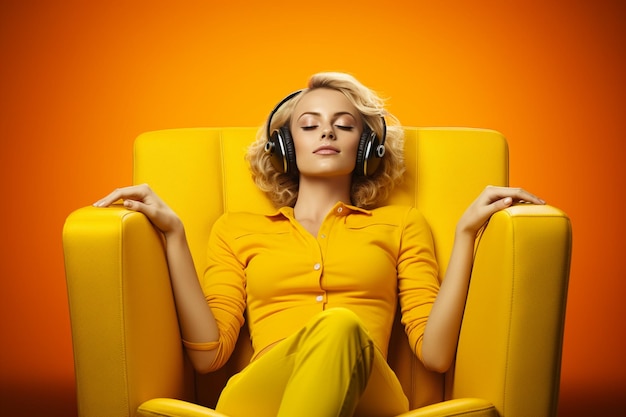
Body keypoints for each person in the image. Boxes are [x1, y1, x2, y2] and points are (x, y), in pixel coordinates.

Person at [93, 72, 545, 417]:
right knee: (335, 329)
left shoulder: (402, 224)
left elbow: (436, 353)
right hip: (260, 391)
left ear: (366, 147)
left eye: (343, 125)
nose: (326, 133)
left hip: (370, 390)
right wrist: (173, 234)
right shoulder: (236, 229)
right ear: (286, 146)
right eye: (309, 126)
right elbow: (210, 355)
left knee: (341, 327)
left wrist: (467, 234)